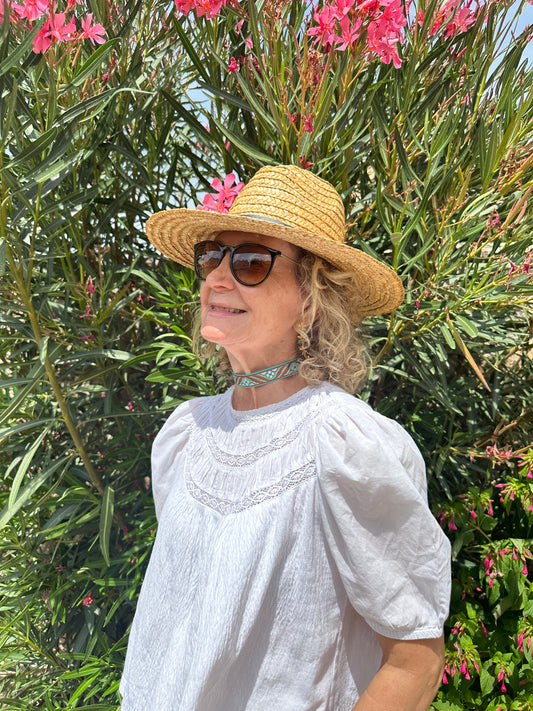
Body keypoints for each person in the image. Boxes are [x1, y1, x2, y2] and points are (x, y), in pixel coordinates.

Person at [119, 165, 451, 711]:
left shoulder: (344, 442)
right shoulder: (188, 432)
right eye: (211, 256)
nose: (217, 277)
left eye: (251, 262)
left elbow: (415, 658)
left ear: (311, 298)